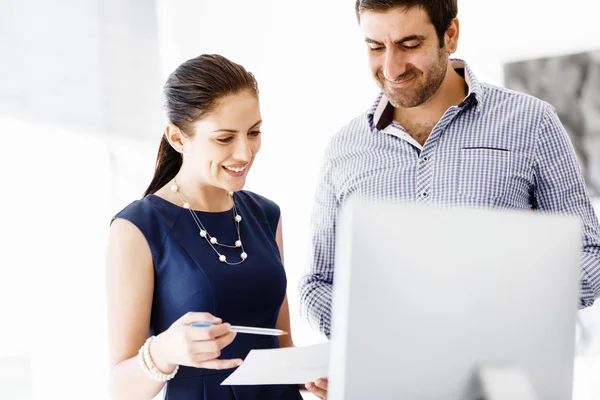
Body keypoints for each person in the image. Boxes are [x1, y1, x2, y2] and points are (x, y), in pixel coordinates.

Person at [299, 2, 600, 396]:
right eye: (375, 47)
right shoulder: (344, 150)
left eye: (409, 44)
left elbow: (589, 254)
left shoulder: (532, 124)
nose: (391, 68)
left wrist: (503, 308)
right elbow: (317, 283)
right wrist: (364, 338)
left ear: (450, 34)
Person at [105, 54, 303, 400]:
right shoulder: (138, 228)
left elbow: (281, 341)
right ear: (178, 138)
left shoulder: (266, 215)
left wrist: (313, 375)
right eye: (225, 139)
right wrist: (164, 352)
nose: (245, 152)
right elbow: (121, 388)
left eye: (253, 132)